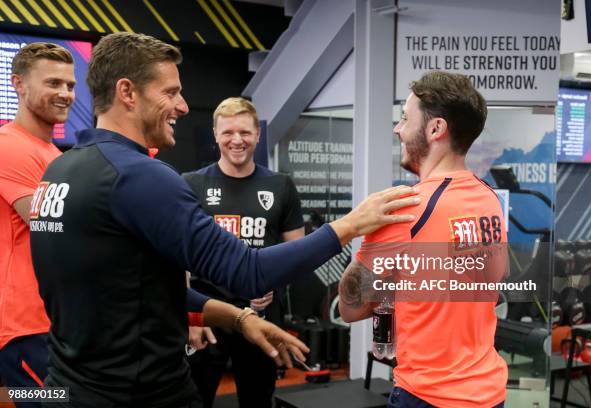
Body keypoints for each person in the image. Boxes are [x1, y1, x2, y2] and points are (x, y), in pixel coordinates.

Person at [29, 32, 419, 408]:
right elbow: (247, 272)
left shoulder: (60, 170)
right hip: (137, 393)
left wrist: (239, 318)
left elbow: (137, 292)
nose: (182, 106)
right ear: (127, 92)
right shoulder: (139, 176)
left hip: (69, 385)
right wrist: (351, 224)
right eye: (170, 92)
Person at [339, 71, 508, 408]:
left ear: (435, 129)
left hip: (429, 396)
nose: (397, 129)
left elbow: (351, 307)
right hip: (488, 394)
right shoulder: (490, 199)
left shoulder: (405, 208)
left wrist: (362, 234)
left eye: (404, 118)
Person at [183, 97, 304, 407]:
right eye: (228, 133)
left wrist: (275, 285)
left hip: (261, 314)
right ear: (215, 134)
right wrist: (191, 318)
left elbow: (297, 253)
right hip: (209, 314)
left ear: (258, 135)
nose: (237, 141)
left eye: (245, 133)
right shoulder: (192, 183)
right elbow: (179, 255)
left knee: (258, 400)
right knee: (195, 398)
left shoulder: (281, 186)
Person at [0, 43, 74, 399]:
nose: (64, 94)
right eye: (53, 83)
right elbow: (49, 225)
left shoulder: (53, 154)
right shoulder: (7, 145)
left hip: (55, 321)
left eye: (70, 86)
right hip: (25, 328)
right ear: (18, 84)